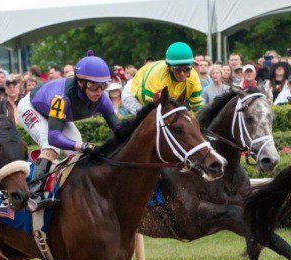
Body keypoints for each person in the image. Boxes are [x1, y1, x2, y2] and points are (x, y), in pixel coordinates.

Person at [17, 51, 118, 210]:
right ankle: (33, 193)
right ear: (81, 83)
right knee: (51, 145)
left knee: (78, 154)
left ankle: (77, 192)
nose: (99, 91)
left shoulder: (103, 99)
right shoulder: (61, 98)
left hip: (58, 116)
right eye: (93, 85)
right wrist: (84, 145)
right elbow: (54, 137)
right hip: (32, 108)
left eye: (103, 85)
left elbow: (119, 129)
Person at [125, 42, 203, 114]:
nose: (182, 73)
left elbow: (197, 108)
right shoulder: (158, 78)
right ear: (169, 67)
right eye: (177, 69)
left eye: (187, 69)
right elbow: (152, 109)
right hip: (134, 92)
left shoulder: (193, 78)